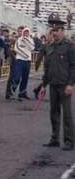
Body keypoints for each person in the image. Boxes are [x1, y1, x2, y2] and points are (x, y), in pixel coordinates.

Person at [40, 19, 75, 151]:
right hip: (53, 84)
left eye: (56, 30)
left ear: (62, 31)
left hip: (65, 85)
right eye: (52, 30)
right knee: (53, 112)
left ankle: (69, 140)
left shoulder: (70, 46)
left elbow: (73, 66)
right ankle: (55, 138)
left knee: (67, 114)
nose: (53, 33)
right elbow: (47, 68)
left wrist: (71, 84)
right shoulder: (50, 47)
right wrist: (44, 85)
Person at [11, 27, 34, 100]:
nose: (26, 33)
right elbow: (16, 49)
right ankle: (12, 92)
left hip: (27, 61)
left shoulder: (31, 40)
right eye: (25, 32)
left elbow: (32, 48)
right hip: (20, 60)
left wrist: (27, 40)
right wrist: (25, 55)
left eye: (27, 32)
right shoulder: (19, 40)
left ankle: (22, 93)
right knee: (17, 77)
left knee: (25, 78)